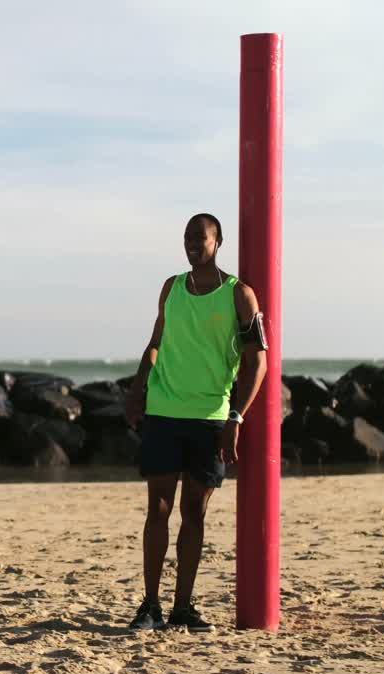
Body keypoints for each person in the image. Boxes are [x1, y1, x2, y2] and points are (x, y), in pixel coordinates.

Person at [123, 213, 268, 631]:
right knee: (158, 508)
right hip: (164, 412)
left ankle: (182, 607)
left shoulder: (239, 295)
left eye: (199, 237)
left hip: (210, 418)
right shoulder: (171, 287)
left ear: (217, 242)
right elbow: (155, 343)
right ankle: (150, 606)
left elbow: (257, 362)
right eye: (187, 236)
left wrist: (237, 416)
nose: (191, 243)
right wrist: (138, 387)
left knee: (194, 512)